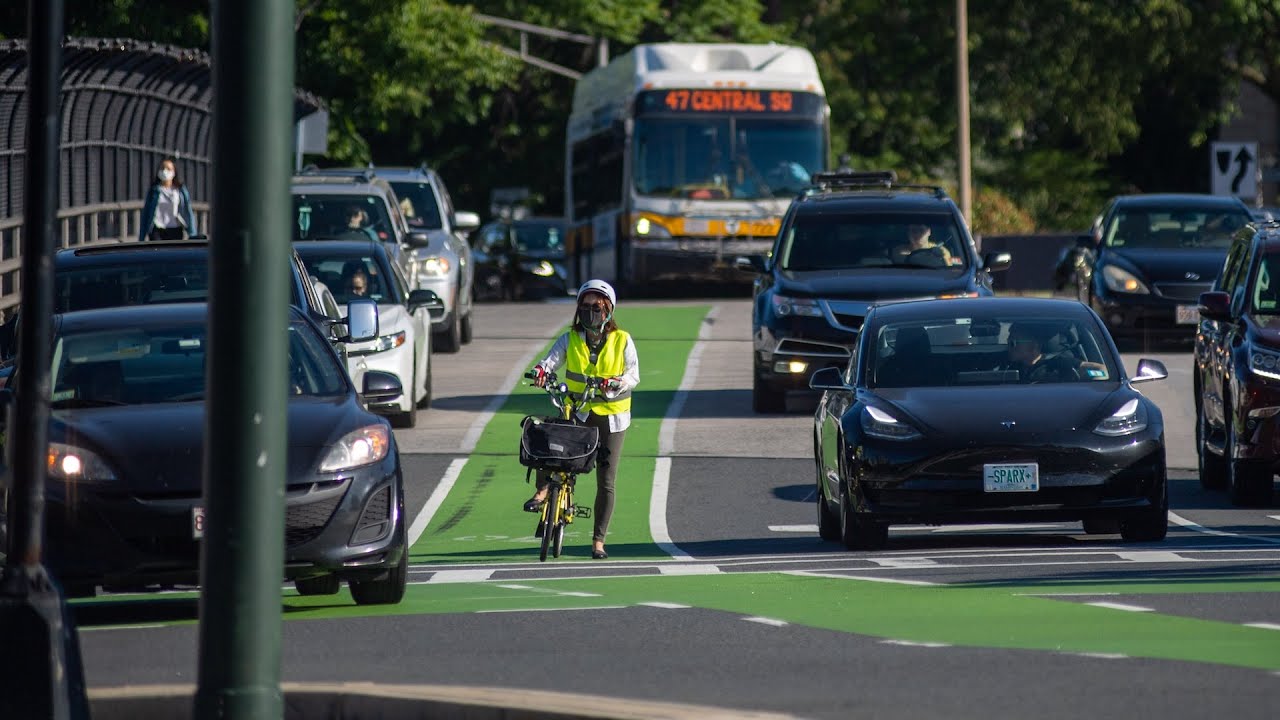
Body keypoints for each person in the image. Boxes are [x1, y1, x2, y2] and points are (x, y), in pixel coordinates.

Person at [524, 279, 639, 560]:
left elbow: (633, 376)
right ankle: (543, 492)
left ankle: (598, 541)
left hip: (613, 419)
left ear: (609, 310)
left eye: (597, 306)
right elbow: (550, 361)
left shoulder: (622, 339)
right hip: (579, 410)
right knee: (551, 444)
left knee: (606, 481)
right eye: (585, 306)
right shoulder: (570, 338)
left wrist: (616, 382)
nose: (591, 312)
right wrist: (540, 371)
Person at [999, 322, 1103, 383]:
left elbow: (1101, 370)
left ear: (1035, 345)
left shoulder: (1058, 363)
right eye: (1008, 342)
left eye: (1014, 342)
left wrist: (1089, 377)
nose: (1010, 346)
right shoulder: (1006, 366)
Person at [139, 157, 196, 242]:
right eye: (162, 168)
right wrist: (142, 237)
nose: (165, 171)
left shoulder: (180, 190)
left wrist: (192, 233)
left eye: (169, 169)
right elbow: (146, 213)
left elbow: (187, 211)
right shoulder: (154, 190)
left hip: (175, 229)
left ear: (174, 172)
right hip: (157, 229)